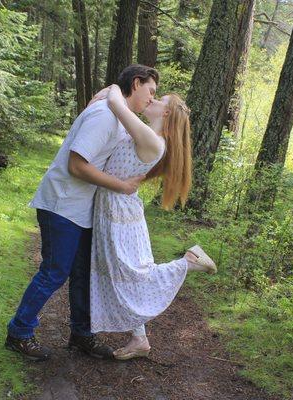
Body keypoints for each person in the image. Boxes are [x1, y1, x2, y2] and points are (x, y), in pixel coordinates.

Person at [5, 65, 160, 361]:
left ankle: (81, 334)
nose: (152, 99)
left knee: (82, 273)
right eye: (150, 91)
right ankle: (19, 332)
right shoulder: (104, 116)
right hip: (62, 204)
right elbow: (77, 165)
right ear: (136, 83)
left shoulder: (114, 115)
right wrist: (122, 185)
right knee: (55, 271)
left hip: (82, 208)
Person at [88, 84, 217, 360]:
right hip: (120, 209)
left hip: (118, 212)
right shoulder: (149, 135)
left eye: (158, 99)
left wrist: (112, 88)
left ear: (166, 112)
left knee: (131, 273)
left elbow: (116, 103)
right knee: (126, 273)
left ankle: (188, 261)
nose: (152, 99)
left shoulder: (151, 139)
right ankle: (139, 339)